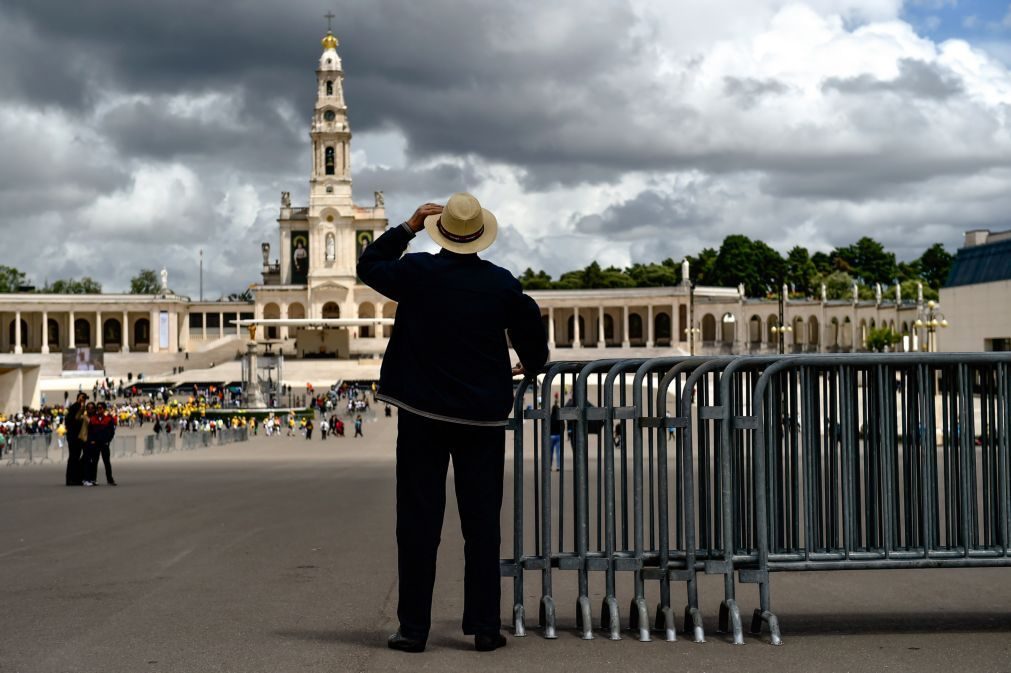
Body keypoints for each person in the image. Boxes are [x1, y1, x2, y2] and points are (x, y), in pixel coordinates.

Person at [358, 194, 548, 653]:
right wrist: (530, 363)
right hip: (481, 418)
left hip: (422, 414)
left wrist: (408, 226)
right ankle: (484, 627)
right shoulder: (500, 284)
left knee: (419, 522)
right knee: (481, 524)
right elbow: (532, 332)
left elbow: (369, 265)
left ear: (441, 231)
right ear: (481, 235)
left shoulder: (417, 273)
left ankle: (413, 629)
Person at [86, 402, 117, 486]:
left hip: (104, 444)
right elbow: (90, 432)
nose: (99, 409)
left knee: (107, 462)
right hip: (95, 444)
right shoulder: (92, 419)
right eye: (98, 408)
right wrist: (91, 440)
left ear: (104, 409)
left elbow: (112, 432)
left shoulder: (108, 419)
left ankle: (110, 479)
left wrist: (108, 440)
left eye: (101, 408)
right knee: (94, 462)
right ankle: (93, 479)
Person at [65, 392, 87, 486]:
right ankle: (70, 479)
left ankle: (76, 478)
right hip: (73, 437)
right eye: (82, 398)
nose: (83, 400)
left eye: (84, 399)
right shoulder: (74, 407)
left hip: (78, 438)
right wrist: (79, 402)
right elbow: (72, 419)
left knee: (76, 458)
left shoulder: (82, 408)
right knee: (73, 458)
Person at [549, 402, 563, 471]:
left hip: (551, 436)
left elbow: (547, 427)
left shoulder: (550, 417)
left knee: (550, 453)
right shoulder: (559, 418)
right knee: (558, 452)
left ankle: (549, 466)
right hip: (558, 436)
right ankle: (558, 466)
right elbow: (563, 427)